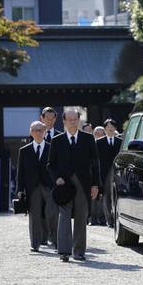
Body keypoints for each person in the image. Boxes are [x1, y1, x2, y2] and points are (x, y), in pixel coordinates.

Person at [48, 108, 101, 262]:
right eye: (69, 119)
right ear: (63, 121)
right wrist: (57, 178)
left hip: (84, 183)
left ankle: (79, 252)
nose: (72, 121)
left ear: (79, 120)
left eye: (75, 119)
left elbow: (95, 164)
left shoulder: (88, 139)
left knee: (80, 217)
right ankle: (64, 251)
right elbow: (51, 165)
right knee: (64, 216)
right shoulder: (57, 140)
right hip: (64, 185)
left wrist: (95, 185)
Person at [16, 121, 57, 252]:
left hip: (49, 186)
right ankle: (35, 243)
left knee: (52, 213)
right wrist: (20, 189)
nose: (38, 133)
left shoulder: (52, 148)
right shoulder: (24, 151)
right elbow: (20, 172)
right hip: (32, 187)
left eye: (41, 130)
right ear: (30, 133)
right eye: (35, 130)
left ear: (45, 132)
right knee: (34, 216)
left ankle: (56, 240)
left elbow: (57, 167)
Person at [96, 119, 123, 228]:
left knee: (117, 195)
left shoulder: (120, 142)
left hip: (117, 171)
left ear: (115, 128)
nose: (110, 128)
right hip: (104, 172)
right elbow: (96, 160)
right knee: (106, 195)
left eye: (112, 126)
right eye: (108, 127)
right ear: (105, 129)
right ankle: (109, 220)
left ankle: (117, 218)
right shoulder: (99, 142)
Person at [89, 126, 107, 226]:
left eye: (102, 133)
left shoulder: (104, 144)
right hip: (92, 173)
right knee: (93, 198)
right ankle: (92, 218)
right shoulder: (90, 144)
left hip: (103, 173)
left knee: (102, 197)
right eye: (97, 134)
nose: (99, 136)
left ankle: (102, 218)